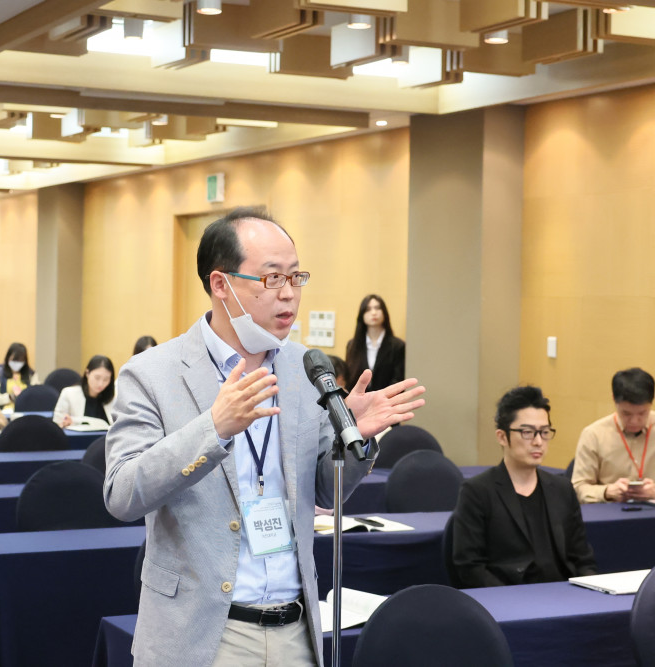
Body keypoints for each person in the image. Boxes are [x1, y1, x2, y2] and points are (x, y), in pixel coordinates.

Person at [104, 207, 425, 667]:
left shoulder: (304, 367)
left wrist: (352, 437)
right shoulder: (152, 373)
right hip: (202, 634)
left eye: (296, 277)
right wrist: (213, 429)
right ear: (221, 284)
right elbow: (122, 494)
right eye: (272, 278)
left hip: (296, 630)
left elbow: (324, 491)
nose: (289, 293)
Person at [452, 385, 597, 588]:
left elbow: (582, 559)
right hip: (507, 596)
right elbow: (469, 567)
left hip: (562, 594)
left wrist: (590, 590)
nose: (538, 442)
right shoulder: (477, 491)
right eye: (527, 432)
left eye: (544, 432)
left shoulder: (562, 488)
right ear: (502, 436)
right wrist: (510, 599)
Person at [572, 367, 655, 503]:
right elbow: (578, 487)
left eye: (642, 413)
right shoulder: (593, 435)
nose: (634, 421)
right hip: (609, 510)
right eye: (626, 413)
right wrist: (606, 492)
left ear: (651, 402)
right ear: (614, 400)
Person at [344, 294, 405, 392]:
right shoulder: (352, 345)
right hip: (359, 400)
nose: (373, 313)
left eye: (377, 308)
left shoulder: (398, 346)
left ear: (384, 312)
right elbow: (349, 379)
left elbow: (398, 380)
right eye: (368, 309)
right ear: (362, 315)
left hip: (387, 399)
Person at [53, 355, 116, 428]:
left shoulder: (113, 399)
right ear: (87, 373)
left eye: (106, 379)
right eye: (97, 378)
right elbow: (57, 424)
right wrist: (65, 423)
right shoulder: (68, 394)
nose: (100, 384)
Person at [0, 342, 40, 410]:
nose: (17, 363)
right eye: (14, 360)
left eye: (20, 361)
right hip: (3, 412)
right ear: (7, 358)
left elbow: (36, 395)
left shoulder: (31, 375)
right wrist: (10, 397)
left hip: (26, 410)